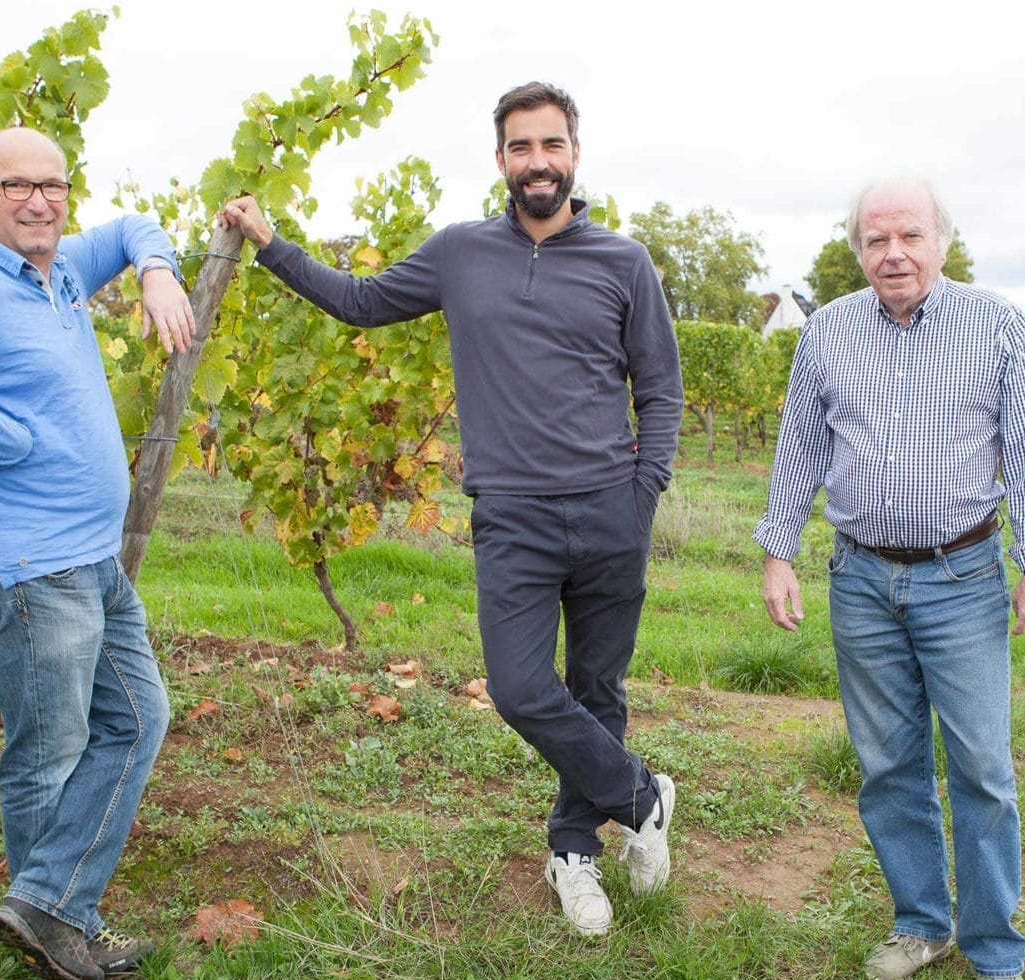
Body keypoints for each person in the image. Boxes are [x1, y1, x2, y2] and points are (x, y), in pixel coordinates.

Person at [218, 82, 683, 937]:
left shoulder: (625, 262)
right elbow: (361, 302)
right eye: (519, 147)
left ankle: (573, 851)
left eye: (550, 145)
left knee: (596, 687)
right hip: (512, 514)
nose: (536, 162)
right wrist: (272, 245)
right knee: (518, 687)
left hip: (610, 512)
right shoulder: (461, 253)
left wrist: (641, 493)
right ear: (500, 158)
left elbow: (659, 390)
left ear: (574, 152)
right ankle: (642, 795)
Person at [0, 126, 196, 980]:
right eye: (16, 185)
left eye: (51, 185)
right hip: (26, 565)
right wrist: (2, 438)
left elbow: (134, 226)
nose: (37, 201)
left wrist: (159, 268)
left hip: (89, 558)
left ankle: (49, 909)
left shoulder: (55, 271)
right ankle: (56, 929)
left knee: (137, 719)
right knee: (48, 754)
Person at [755, 179, 1025, 980]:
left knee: (981, 769)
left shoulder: (996, 323)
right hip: (860, 578)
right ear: (856, 248)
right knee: (888, 765)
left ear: (942, 241)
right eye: (875, 238)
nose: (892, 252)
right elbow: (801, 444)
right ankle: (922, 923)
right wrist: (778, 551)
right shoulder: (827, 331)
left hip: (964, 578)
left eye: (909, 235)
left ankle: (997, 955)